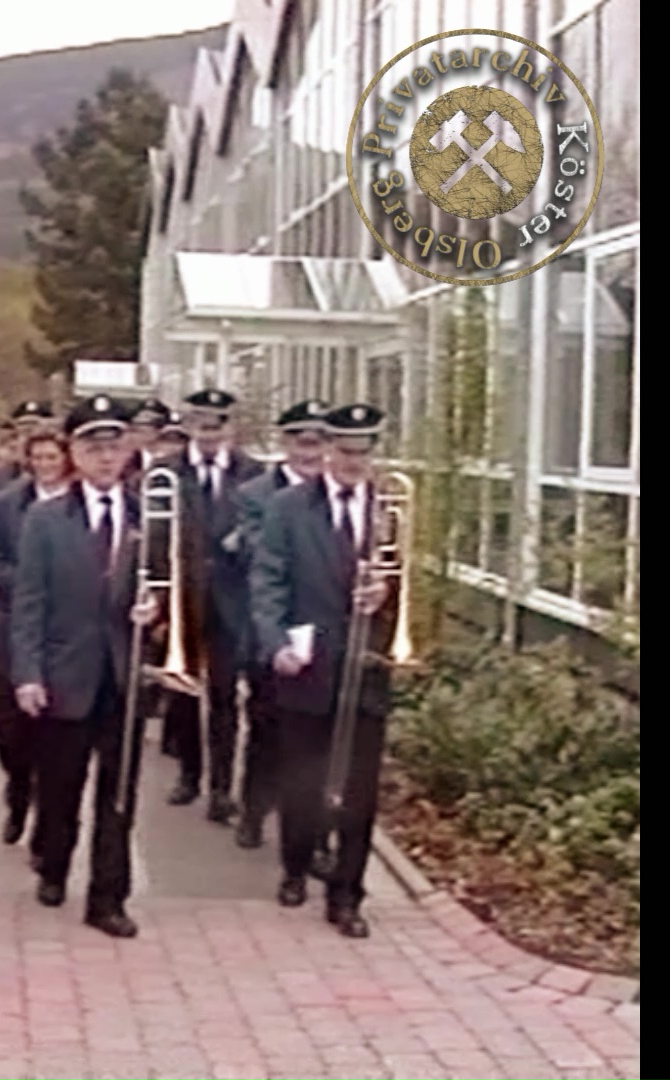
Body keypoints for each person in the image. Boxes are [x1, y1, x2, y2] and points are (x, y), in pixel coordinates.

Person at [11, 395, 161, 939]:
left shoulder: (151, 514)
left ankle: (108, 897)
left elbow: (176, 590)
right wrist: (27, 672)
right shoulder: (46, 518)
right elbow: (28, 600)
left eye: (114, 446)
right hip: (64, 670)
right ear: (73, 451)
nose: (105, 457)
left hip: (123, 672)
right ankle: (53, 862)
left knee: (118, 794)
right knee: (60, 786)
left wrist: (157, 612)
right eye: (93, 447)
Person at [250, 404, 401, 938]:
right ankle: (295, 866)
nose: (355, 463)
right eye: (346, 452)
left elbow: (409, 582)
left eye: (365, 453)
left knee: (360, 788)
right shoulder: (289, 507)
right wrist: (275, 644)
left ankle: (347, 895)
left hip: (366, 665)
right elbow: (268, 580)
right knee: (303, 778)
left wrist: (386, 593)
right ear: (328, 450)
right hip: (307, 661)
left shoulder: (390, 505)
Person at [226, 400, 330, 850]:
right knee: (267, 729)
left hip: (324, 634)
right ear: (285, 444)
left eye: (318, 442)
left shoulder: (341, 493)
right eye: (301, 441)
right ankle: (253, 810)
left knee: (318, 743)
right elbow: (254, 557)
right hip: (272, 629)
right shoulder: (256, 494)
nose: (309, 452)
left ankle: (312, 833)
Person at [0, 429, 72, 860]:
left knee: (51, 732)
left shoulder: (79, 504)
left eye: (54, 457)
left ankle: (44, 833)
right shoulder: (3, 505)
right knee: (4, 720)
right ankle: (18, 784)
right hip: (15, 620)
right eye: (39, 458)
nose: (47, 465)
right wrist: (28, 581)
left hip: (65, 632)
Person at [167, 388, 265, 820]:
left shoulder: (252, 474)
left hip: (231, 597)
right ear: (188, 425)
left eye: (218, 424)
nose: (209, 432)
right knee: (183, 691)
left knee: (225, 694)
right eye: (201, 423)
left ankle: (223, 787)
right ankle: (190, 773)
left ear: (230, 427)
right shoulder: (166, 472)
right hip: (182, 597)